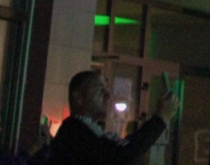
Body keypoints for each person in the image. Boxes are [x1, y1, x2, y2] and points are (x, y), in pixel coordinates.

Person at [51, 69, 180, 164]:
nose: (108, 95)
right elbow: (122, 153)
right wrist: (160, 118)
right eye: (100, 89)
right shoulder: (75, 133)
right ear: (79, 97)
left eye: (107, 89)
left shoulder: (80, 129)